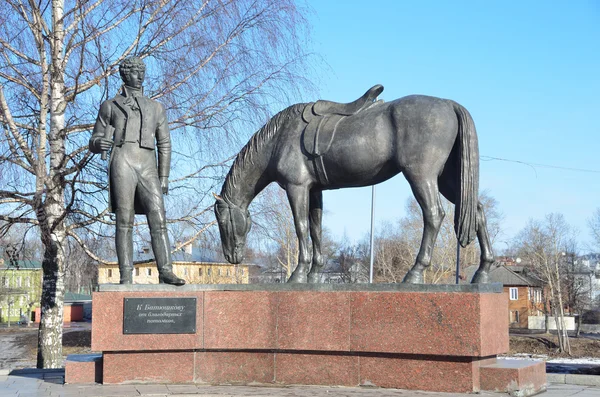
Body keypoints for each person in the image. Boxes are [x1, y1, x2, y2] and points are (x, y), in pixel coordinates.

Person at [89, 56, 185, 286]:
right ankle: (125, 275)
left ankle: (166, 271)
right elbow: (94, 138)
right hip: (122, 160)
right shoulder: (110, 106)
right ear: (124, 75)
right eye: (133, 71)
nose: (139, 75)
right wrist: (97, 143)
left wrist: (164, 176)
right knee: (124, 219)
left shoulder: (156, 107)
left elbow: (165, 144)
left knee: (158, 216)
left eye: (141, 71)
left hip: (147, 164)